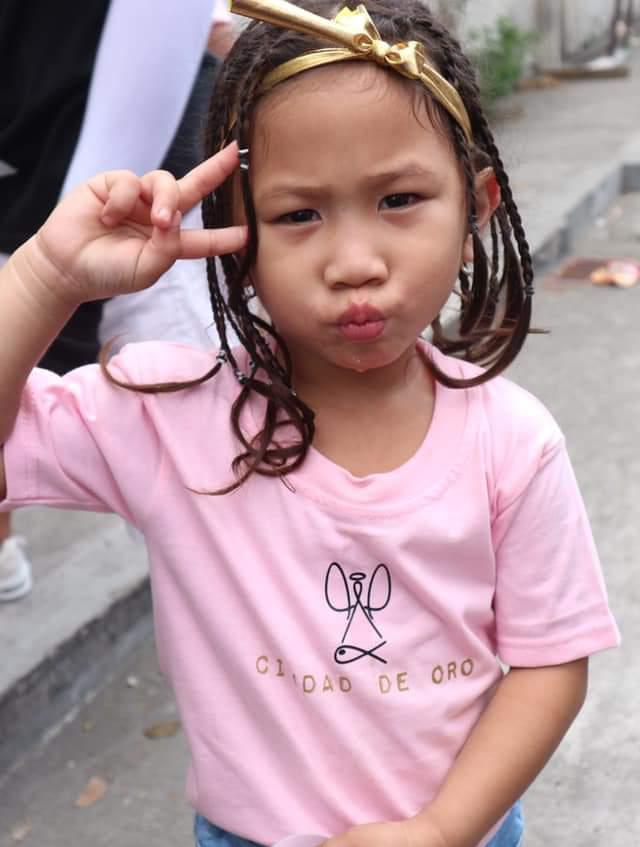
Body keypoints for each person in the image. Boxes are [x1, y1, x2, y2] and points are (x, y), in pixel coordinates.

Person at [0, 1, 620, 845]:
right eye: (298, 214)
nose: (353, 264)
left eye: (399, 198)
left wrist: (440, 828)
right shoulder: (167, 413)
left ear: (477, 209)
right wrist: (45, 276)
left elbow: (551, 663)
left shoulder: (513, 442)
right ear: (235, 230)